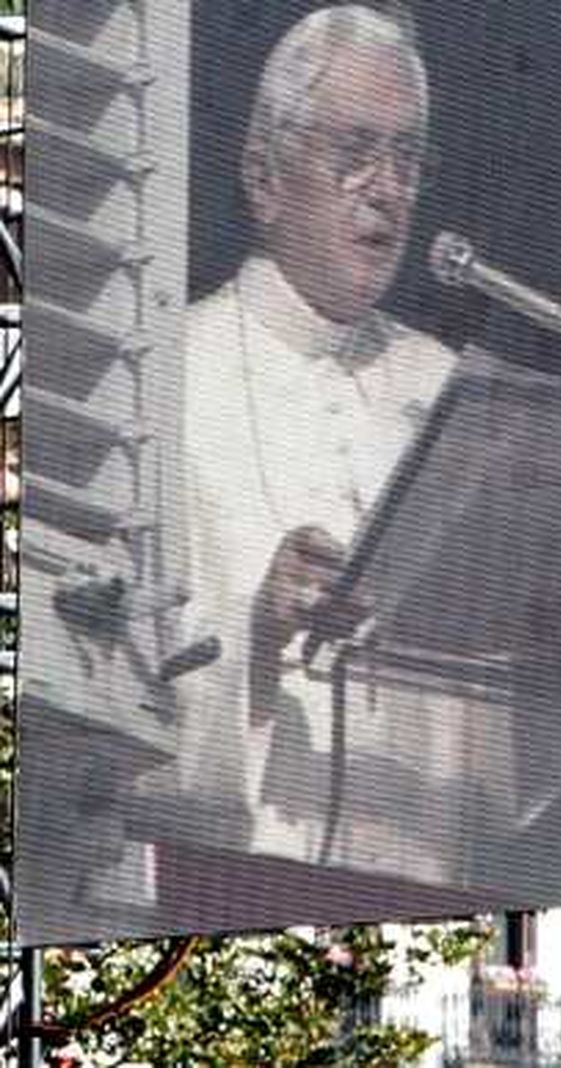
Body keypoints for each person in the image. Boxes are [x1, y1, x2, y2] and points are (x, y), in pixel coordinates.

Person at [173, 6, 510, 878]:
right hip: (239, 870)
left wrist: (529, 632)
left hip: (429, 867)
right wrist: (256, 636)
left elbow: (505, 776)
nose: (388, 188)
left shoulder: (450, 387)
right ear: (263, 177)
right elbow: (113, 700)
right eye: (354, 151)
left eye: (406, 157)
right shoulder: (170, 371)